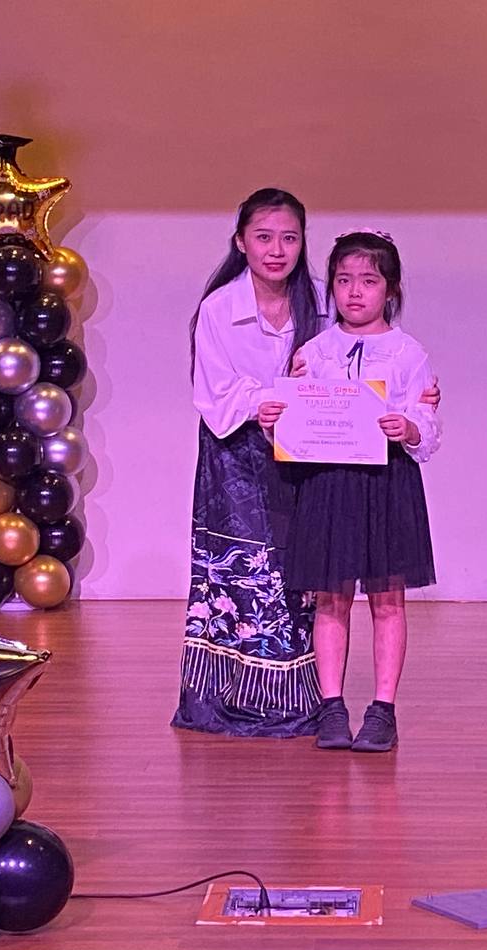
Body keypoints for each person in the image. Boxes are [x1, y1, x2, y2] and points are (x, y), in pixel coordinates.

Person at [172, 187, 328, 737]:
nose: (276, 250)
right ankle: (229, 697)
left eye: (289, 238)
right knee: (241, 574)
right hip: (235, 456)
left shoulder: (321, 302)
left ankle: (303, 697)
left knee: (300, 573)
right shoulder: (219, 308)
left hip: (305, 453)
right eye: (264, 237)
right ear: (241, 242)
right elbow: (215, 391)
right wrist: (273, 399)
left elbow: (350, 368)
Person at [280, 230, 440, 752]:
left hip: (385, 483)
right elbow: (295, 417)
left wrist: (408, 427)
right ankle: (331, 707)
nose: (354, 292)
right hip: (329, 484)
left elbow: (426, 423)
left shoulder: (408, 352)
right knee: (331, 599)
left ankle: (382, 710)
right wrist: (283, 405)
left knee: (387, 600)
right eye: (344, 280)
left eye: (368, 281)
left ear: (390, 289)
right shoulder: (314, 351)